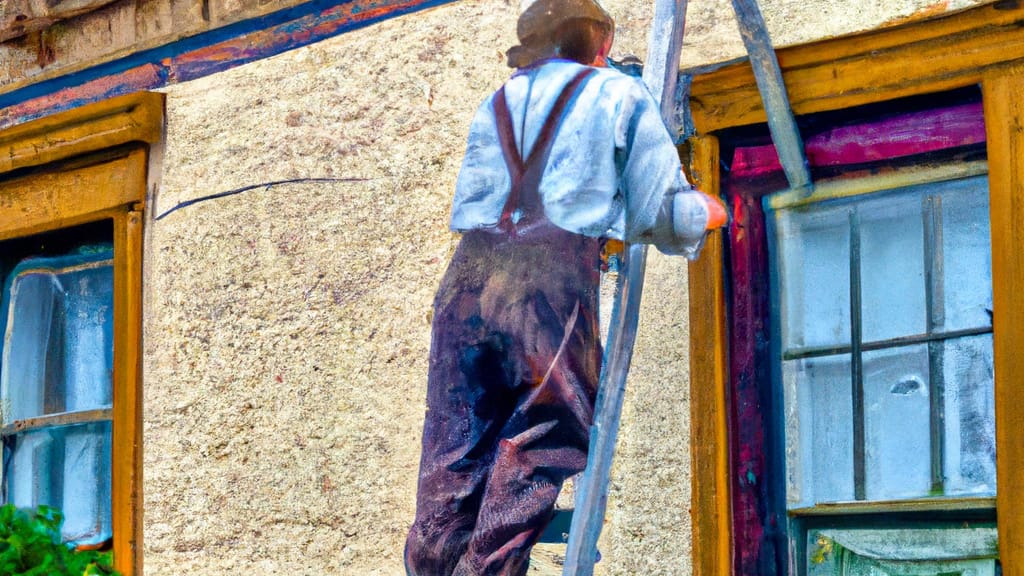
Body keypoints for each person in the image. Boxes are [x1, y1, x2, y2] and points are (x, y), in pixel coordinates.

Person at [405, 1, 727, 574]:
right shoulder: (616, 95)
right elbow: (662, 211)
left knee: (455, 444)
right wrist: (710, 210)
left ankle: (433, 565)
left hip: (467, 280)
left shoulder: (498, 101)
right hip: (545, 280)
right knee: (546, 429)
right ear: (598, 42)